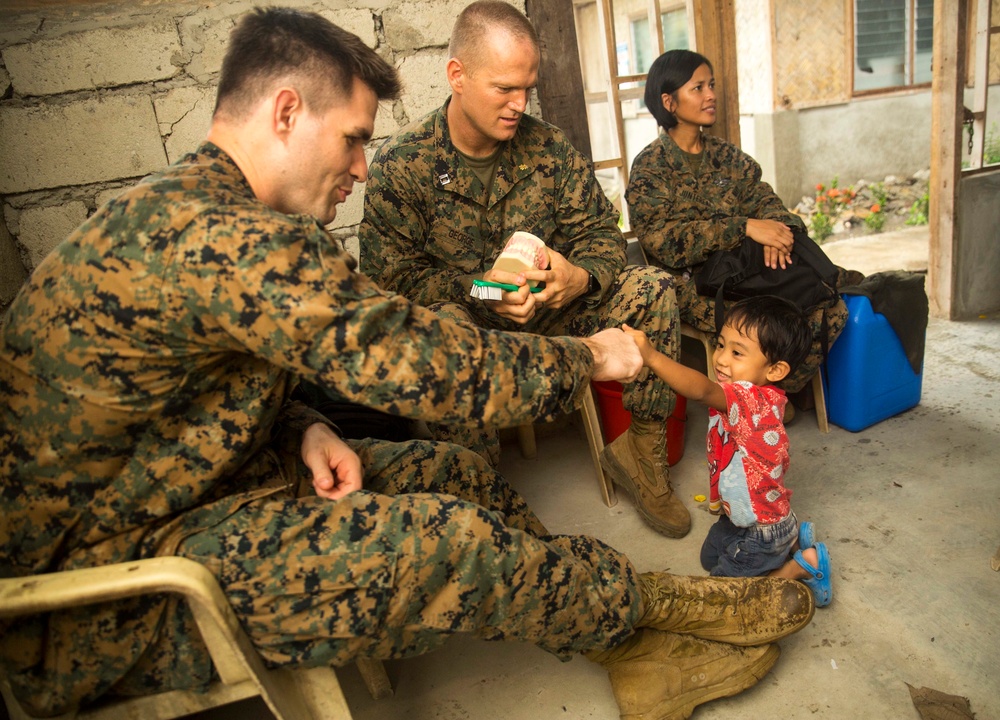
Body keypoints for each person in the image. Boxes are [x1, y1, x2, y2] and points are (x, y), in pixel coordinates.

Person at [0, 9, 815, 720]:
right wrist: (585, 358)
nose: (360, 168)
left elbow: (185, 391)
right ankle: (655, 610)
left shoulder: (198, 209)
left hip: (178, 496)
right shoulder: (224, 238)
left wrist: (305, 424)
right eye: (352, 139)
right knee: (449, 542)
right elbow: (423, 361)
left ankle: (621, 644)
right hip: (100, 595)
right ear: (286, 111)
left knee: (456, 477)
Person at [359, 1, 692, 539]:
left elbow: (602, 235)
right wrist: (484, 290)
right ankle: (486, 507)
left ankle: (640, 454)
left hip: (553, 316)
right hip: (473, 327)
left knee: (650, 288)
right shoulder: (404, 167)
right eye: (504, 89)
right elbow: (391, 283)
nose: (519, 105)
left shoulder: (547, 148)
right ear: (457, 76)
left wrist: (578, 278)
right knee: (445, 335)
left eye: (527, 89)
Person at [626, 49, 862, 408]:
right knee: (766, 319)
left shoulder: (727, 156)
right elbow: (664, 242)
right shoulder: (651, 167)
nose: (711, 95)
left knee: (828, 306)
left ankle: (775, 397)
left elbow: (766, 200)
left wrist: (778, 234)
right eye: (698, 88)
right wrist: (746, 228)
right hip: (695, 284)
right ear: (668, 101)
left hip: (747, 269)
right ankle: (754, 406)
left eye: (712, 85)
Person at [622, 296, 833, 607]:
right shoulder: (757, 393)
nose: (720, 359)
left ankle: (800, 566)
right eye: (720, 345)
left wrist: (652, 357)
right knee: (710, 557)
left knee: (723, 600)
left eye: (737, 352)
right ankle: (791, 540)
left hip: (763, 529)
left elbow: (703, 390)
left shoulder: (749, 398)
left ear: (775, 370)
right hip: (746, 518)